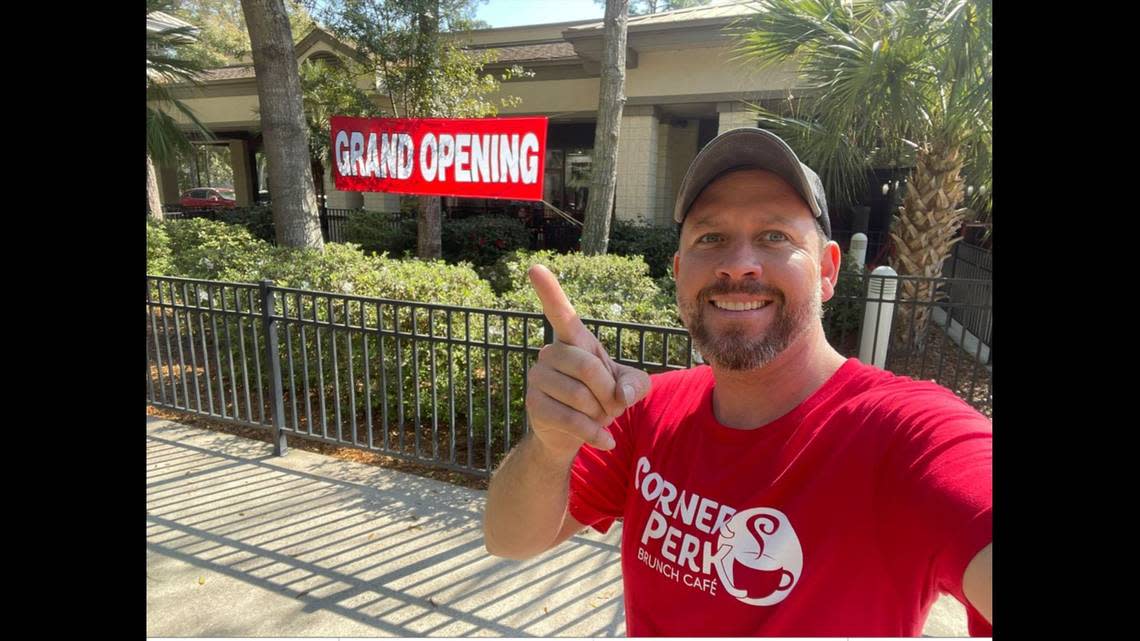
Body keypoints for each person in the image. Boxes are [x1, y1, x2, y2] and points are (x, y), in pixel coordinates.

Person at [482, 128, 992, 637]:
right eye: (711, 238)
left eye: (775, 236)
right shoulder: (648, 410)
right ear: (680, 272)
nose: (737, 265)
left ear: (827, 271)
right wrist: (549, 447)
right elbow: (510, 540)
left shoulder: (908, 435)